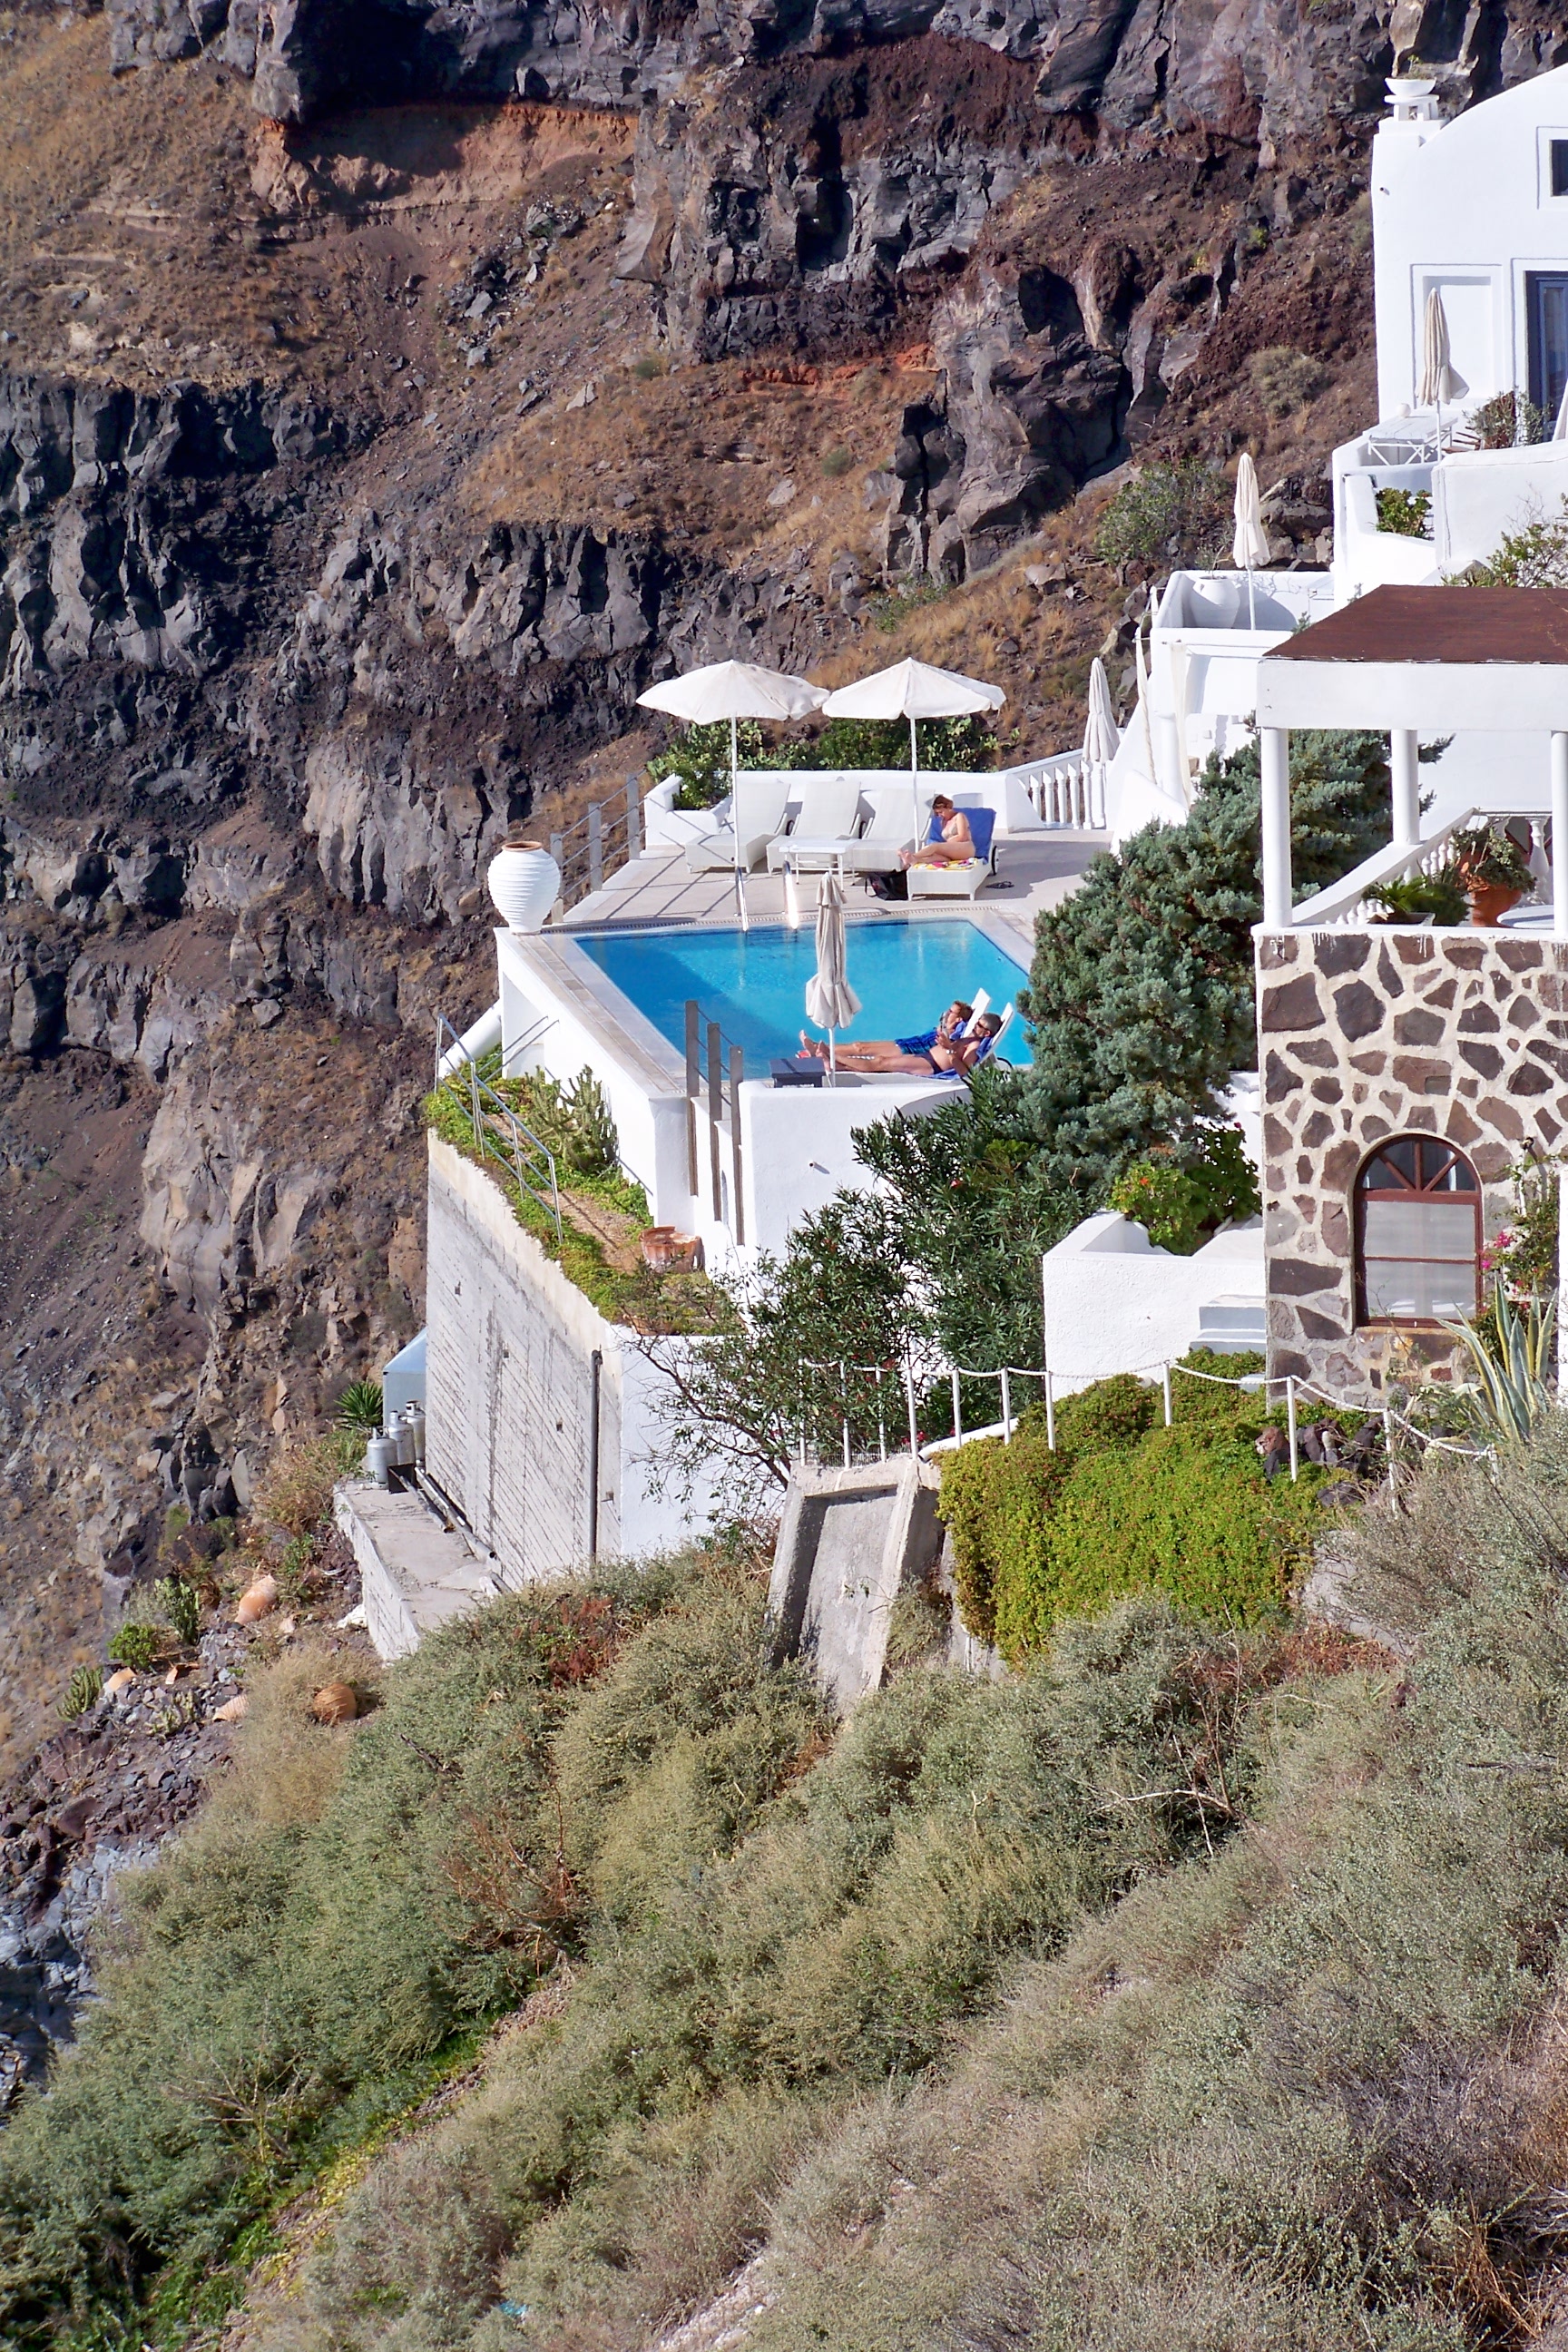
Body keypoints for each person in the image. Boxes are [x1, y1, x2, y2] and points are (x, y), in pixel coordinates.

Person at [798, 1011, 1002, 1075]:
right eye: (977, 1023)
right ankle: (833, 1063)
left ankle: (829, 1055)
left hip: (932, 1065)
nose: (975, 1027)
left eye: (980, 1026)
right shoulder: (969, 1037)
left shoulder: (974, 1047)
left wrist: (949, 1050)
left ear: (987, 1033)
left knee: (880, 1063)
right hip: (927, 1056)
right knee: (881, 1060)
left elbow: (963, 1071)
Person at [899, 794, 974, 871]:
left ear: (948, 807)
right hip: (953, 850)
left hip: (965, 847)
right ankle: (916, 860)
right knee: (936, 857)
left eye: (941, 812)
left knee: (935, 847)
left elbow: (963, 836)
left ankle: (912, 856)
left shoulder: (959, 816)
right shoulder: (943, 822)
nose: (939, 815)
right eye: (937, 813)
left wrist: (946, 844)